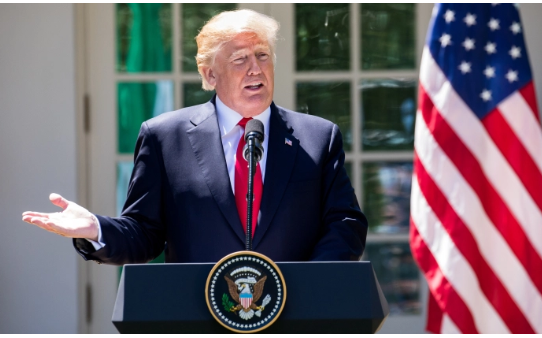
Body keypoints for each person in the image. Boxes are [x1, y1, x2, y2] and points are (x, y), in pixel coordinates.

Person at [22, 9, 367, 265]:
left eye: (262, 55)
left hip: (296, 315)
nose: (255, 69)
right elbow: (145, 232)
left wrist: (313, 282)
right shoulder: (164, 137)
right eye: (239, 59)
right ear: (209, 74)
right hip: (198, 315)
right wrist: (96, 229)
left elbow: (345, 222)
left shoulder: (318, 137)